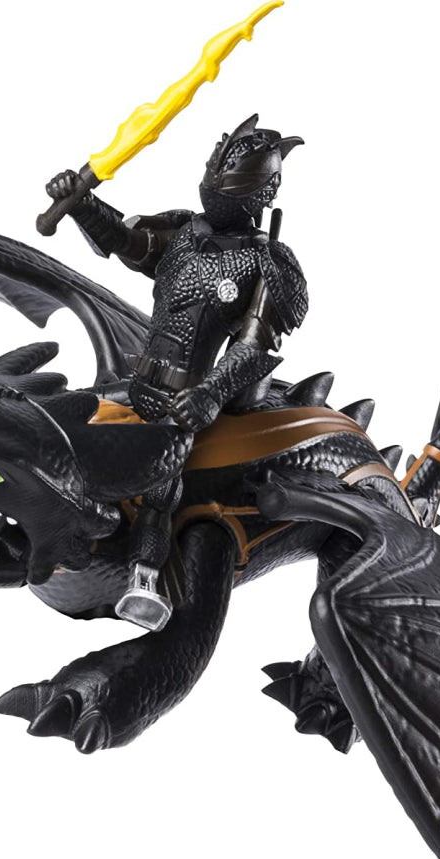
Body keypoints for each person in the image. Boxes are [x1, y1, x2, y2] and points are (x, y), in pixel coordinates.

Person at [46, 114, 308, 629]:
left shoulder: (267, 264)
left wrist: (211, 393)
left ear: (260, 193)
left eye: (230, 180)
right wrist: (81, 204)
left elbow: (254, 346)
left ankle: (144, 581)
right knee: (60, 431)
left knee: (160, 488)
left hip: (185, 399)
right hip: (137, 380)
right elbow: (129, 242)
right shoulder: (185, 232)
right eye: (215, 173)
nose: (215, 188)